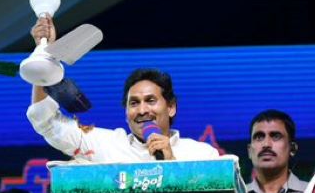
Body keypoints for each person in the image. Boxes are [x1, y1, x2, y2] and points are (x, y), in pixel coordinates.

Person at [26, 15, 218, 162]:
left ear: (171, 107)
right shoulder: (106, 146)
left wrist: (172, 164)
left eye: (151, 100)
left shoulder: (201, 155)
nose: (142, 110)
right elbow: (46, 121)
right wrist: (45, 54)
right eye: (134, 103)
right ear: (126, 112)